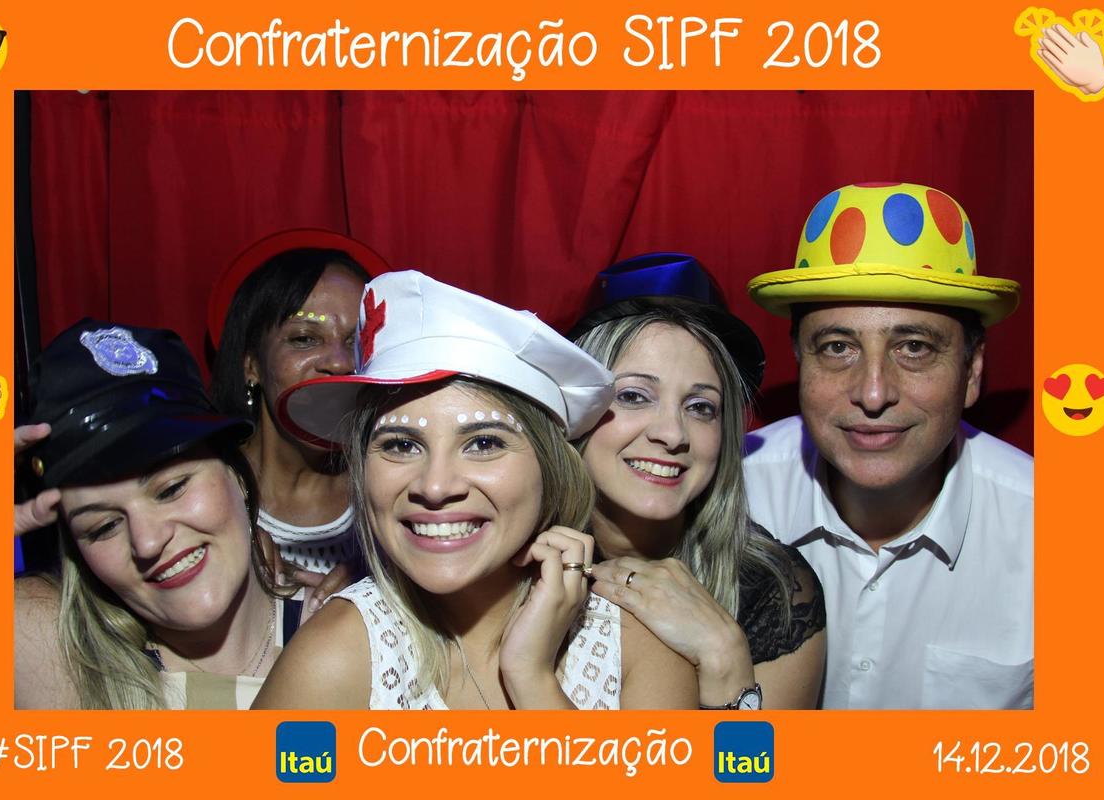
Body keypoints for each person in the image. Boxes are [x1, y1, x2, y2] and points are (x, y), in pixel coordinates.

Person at [254, 271, 698, 709]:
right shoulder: (333, 661)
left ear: (552, 471)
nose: (435, 486)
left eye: (484, 443)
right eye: (401, 445)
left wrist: (531, 678)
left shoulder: (638, 651)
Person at [743, 182, 1033, 709]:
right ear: (800, 362)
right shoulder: (727, 494)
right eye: (837, 347)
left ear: (972, 371)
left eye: (914, 347)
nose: (873, 393)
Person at [569, 253, 826, 710]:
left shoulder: (773, 591)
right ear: (575, 411)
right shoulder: (509, 559)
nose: (672, 434)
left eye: (700, 407)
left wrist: (726, 660)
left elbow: (753, 761)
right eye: (634, 396)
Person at [14, 320, 305, 709]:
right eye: (103, 527)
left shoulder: (356, 636)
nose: (148, 542)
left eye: (171, 489)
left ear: (237, 472)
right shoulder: (56, 657)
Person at [208, 229, 390, 605]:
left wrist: (380, 583)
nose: (339, 363)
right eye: (304, 338)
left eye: (357, 341)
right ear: (251, 365)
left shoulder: (396, 487)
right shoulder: (202, 493)